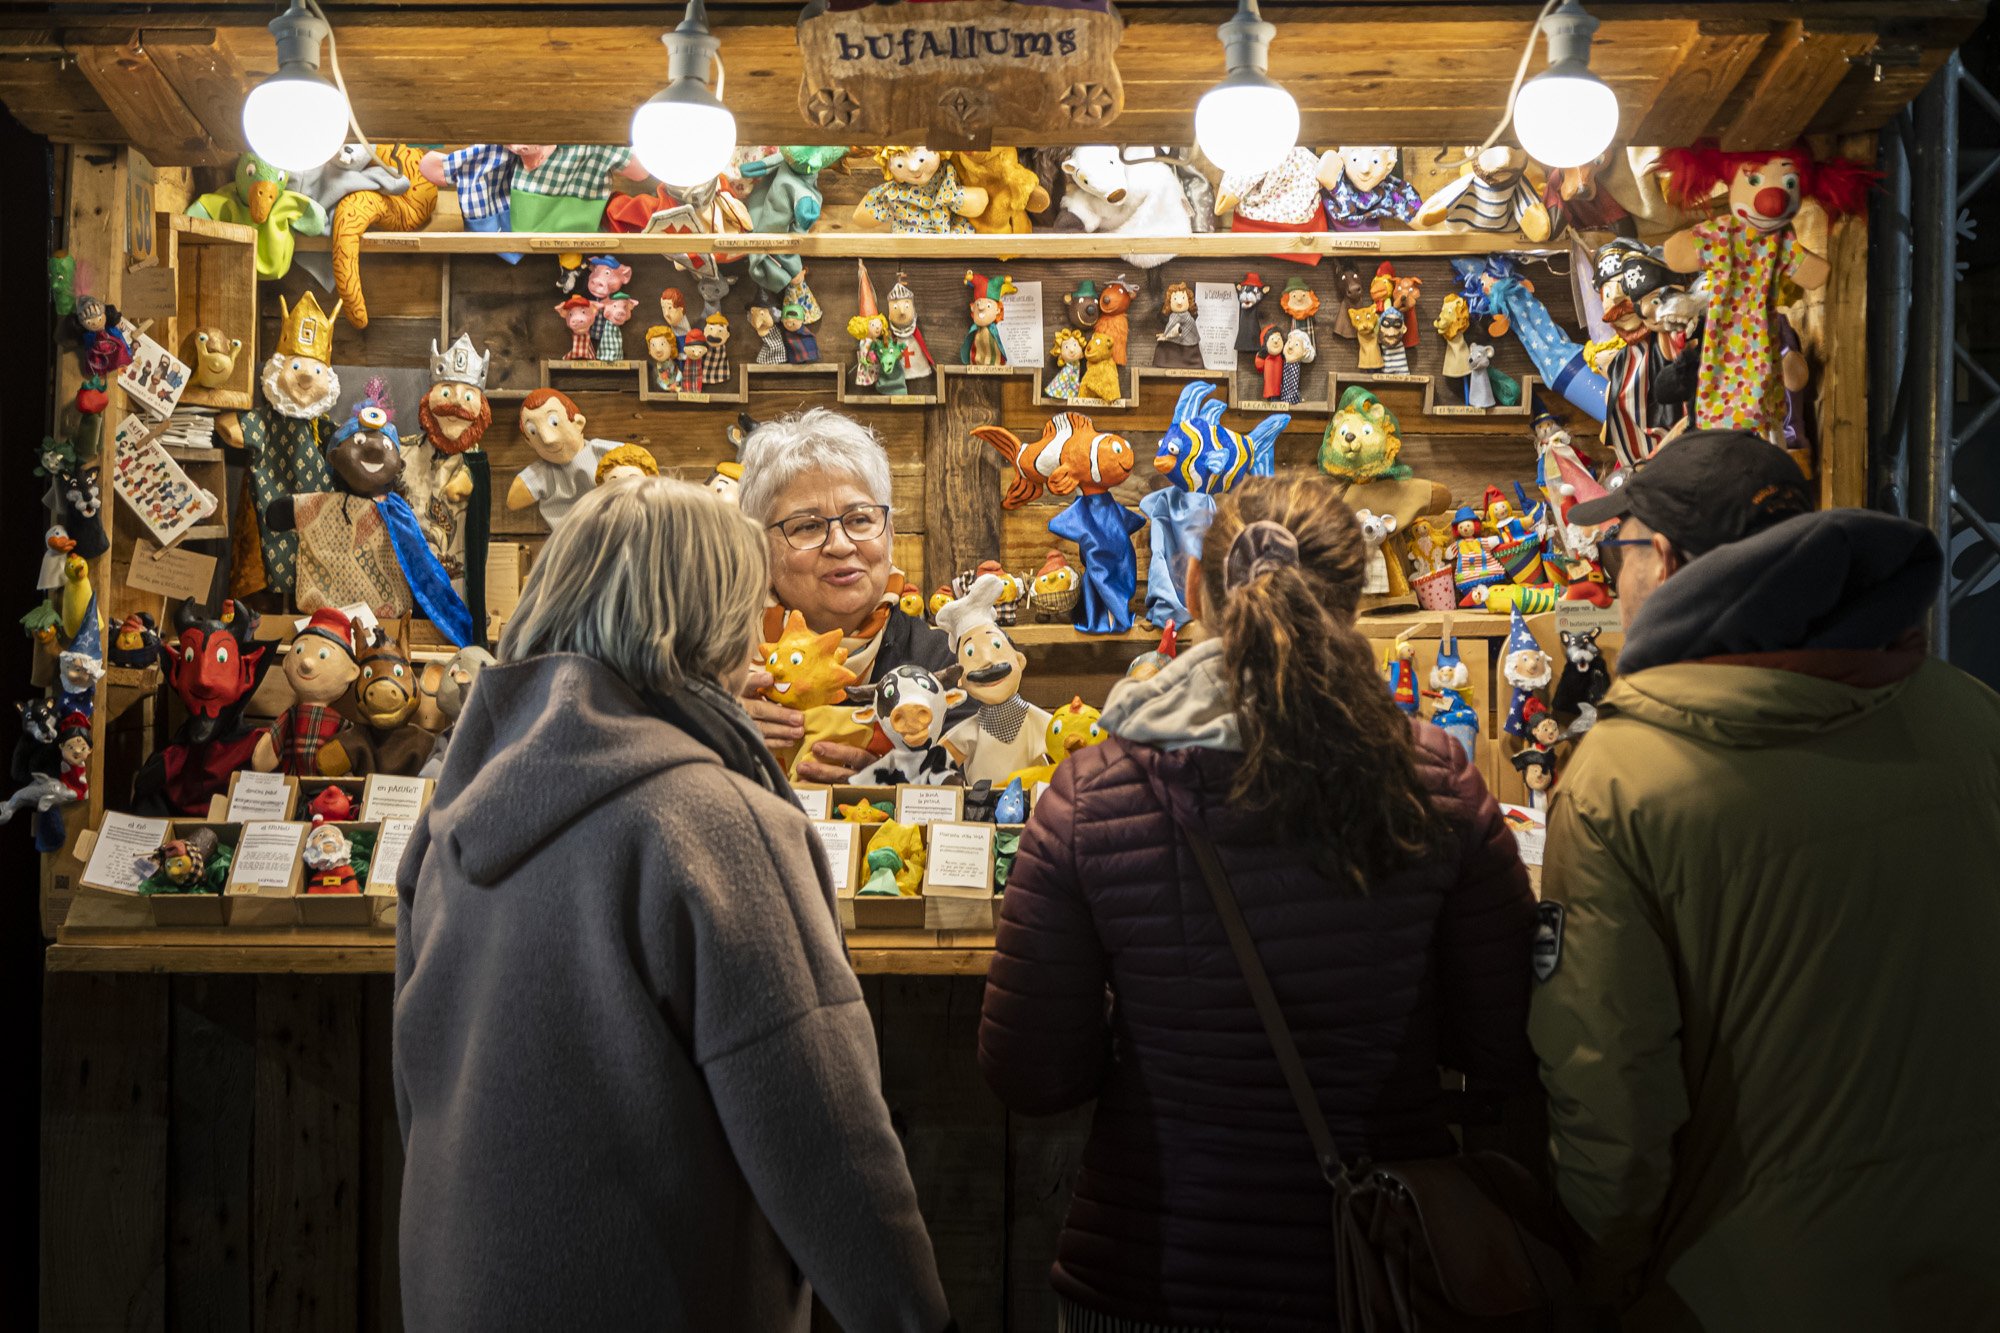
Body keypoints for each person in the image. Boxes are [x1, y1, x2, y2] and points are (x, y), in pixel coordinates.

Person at [979, 474, 1538, 1333]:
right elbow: (1496, 1042)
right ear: (1356, 595)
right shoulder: (1441, 782)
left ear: (1195, 590)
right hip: (1375, 1270)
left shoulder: (1090, 792)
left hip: (1152, 1269)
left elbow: (1034, 1073)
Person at [393, 478, 951, 1333]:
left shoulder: (455, 812)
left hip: (461, 1288)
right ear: (705, 623)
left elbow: (418, 1089)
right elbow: (824, 1138)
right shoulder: (717, 821)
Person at [1532, 429, 2000, 1330]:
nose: (1608, 575)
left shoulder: (1621, 780)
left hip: (1751, 1282)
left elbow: (1613, 1096)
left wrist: (1601, 1279)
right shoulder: (1969, 714)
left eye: (1614, 547)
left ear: (1662, 560)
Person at [737, 407, 955, 782]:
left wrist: (895, 778)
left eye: (859, 520)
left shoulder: (942, 663)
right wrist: (712, 728)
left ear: (889, 534)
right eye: (807, 526)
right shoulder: (719, 664)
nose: (840, 545)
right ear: (760, 548)